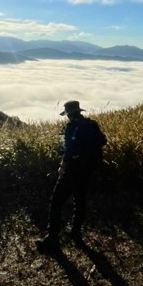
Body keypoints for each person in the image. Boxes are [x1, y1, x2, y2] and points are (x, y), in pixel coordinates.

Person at [36, 100, 107, 253]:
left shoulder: (71, 127)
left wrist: (63, 166)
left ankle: (52, 238)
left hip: (72, 170)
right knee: (80, 199)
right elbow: (103, 141)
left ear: (68, 114)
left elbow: (69, 150)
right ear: (79, 111)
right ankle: (75, 232)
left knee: (56, 202)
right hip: (88, 169)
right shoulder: (92, 124)